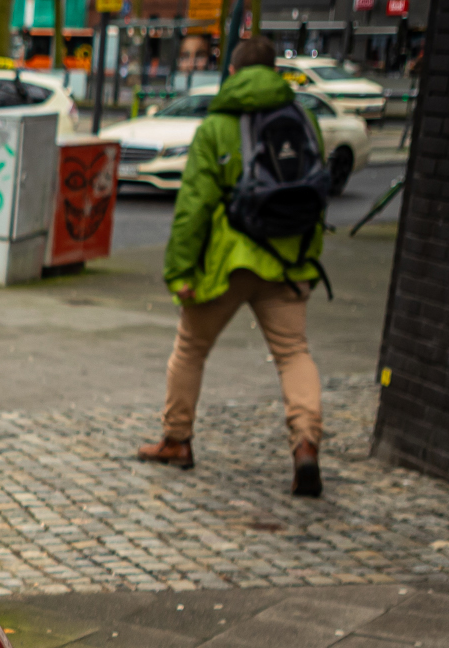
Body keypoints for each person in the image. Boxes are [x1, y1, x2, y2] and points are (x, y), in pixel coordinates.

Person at [138, 35, 330, 497]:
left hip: (228, 262)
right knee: (292, 352)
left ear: (233, 73)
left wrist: (180, 272)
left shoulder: (217, 127)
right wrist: (307, 259)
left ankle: (177, 440)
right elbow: (317, 197)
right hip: (287, 261)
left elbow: (194, 207)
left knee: (190, 348)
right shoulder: (304, 120)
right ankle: (305, 442)